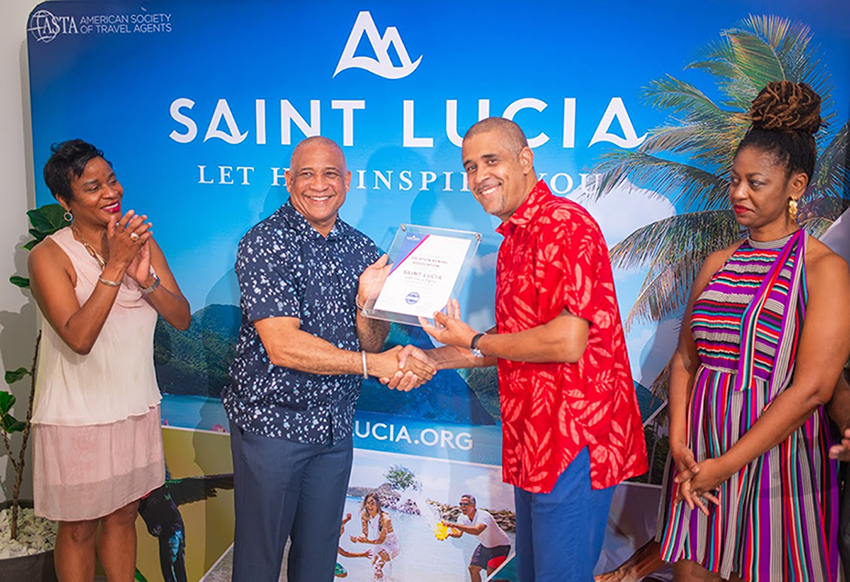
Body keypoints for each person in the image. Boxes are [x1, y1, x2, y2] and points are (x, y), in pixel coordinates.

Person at [393, 117, 648, 582]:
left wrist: (471, 339)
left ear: (525, 159)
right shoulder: (515, 238)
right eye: (470, 167)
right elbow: (514, 340)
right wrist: (434, 358)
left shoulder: (565, 225)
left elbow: (566, 341)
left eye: (491, 161)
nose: (479, 176)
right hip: (534, 439)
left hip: (573, 439)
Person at [653, 81, 850, 581]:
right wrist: (680, 444)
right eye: (735, 180)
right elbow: (685, 359)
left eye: (755, 183)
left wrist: (725, 465)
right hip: (700, 455)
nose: (739, 193)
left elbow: (813, 389)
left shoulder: (824, 269)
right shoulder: (717, 262)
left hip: (778, 463)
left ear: (796, 186)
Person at [223, 136, 434, 582]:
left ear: (348, 181)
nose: (319, 184)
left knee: (318, 563)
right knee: (259, 563)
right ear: (288, 180)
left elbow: (372, 343)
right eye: (307, 174)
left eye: (330, 174)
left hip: (334, 431)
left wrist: (366, 305)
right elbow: (282, 345)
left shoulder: (362, 249)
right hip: (273, 429)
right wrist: (371, 366)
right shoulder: (265, 242)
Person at [29, 139, 191, 581]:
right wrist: (116, 266)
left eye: (112, 180)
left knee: (123, 516)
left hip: (133, 409)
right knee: (79, 528)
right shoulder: (48, 256)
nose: (111, 193)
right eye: (93, 187)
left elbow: (181, 317)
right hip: (78, 418)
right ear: (64, 201)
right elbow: (79, 337)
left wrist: (147, 280)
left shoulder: (140, 243)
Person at [442, 494, 512, 582]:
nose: (462, 507)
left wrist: (453, 525)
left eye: (466, 504)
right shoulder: (462, 517)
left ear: (473, 505)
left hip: (501, 546)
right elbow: (458, 534)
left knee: (491, 572)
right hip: (485, 545)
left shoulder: (483, 516)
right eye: (461, 504)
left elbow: (477, 530)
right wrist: (448, 533)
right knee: (473, 568)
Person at [349, 492, 400, 580]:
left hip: (392, 545)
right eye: (367, 503)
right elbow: (364, 533)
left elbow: (380, 540)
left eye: (372, 503)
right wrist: (359, 538)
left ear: (378, 504)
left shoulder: (385, 519)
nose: (370, 506)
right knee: (374, 565)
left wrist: (365, 541)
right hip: (379, 543)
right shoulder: (365, 516)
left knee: (378, 566)